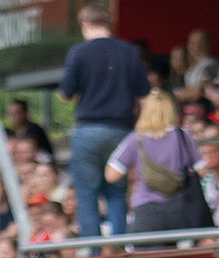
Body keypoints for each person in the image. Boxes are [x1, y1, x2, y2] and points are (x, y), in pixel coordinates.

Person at [58, 2, 150, 240]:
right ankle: (120, 249)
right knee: (117, 193)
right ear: (110, 24)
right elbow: (144, 93)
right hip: (122, 130)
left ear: (85, 24)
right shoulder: (129, 51)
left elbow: (66, 95)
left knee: (87, 195)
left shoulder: (78, 52)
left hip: (88, 130)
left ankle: (94, 255)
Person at [106, 90, 204, 234]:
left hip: (146, 210)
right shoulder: (182, 136)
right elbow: (202, 169)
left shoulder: (135, 139)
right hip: (180, 210)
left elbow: (111, 175)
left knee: (148, 255)